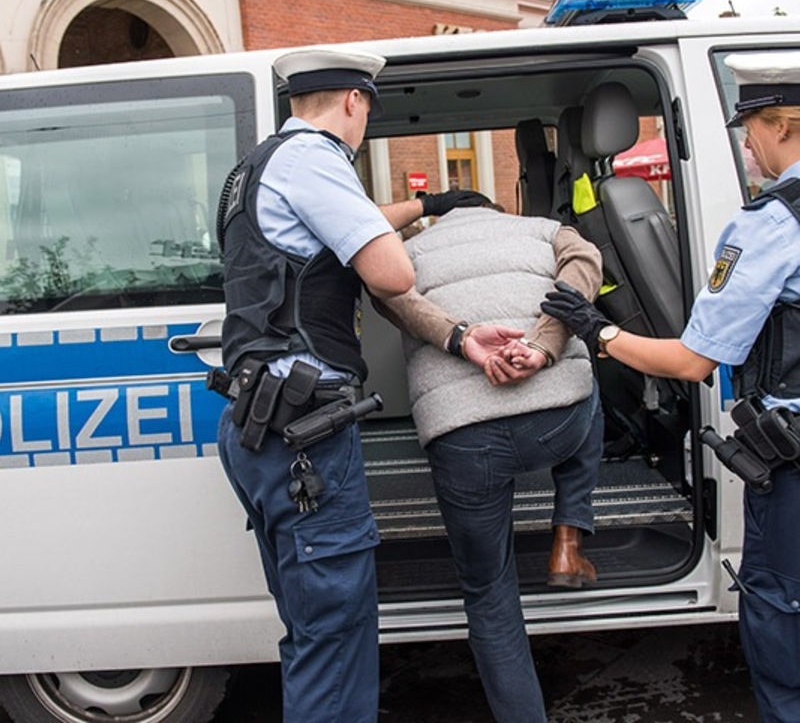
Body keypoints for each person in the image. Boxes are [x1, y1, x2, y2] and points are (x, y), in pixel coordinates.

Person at [525, 52, 800, 723]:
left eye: (750, 129)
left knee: (783, 626)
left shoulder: (772, 225)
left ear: (784, 125)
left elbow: (690, 363)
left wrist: (597, 333)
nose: (745, 144)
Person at [214, 47, 487, 723]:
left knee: (312, 633)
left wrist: (427, 202)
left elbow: (332, 233)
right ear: (354, 102)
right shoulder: (316, 160)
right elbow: (390, 273)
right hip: (302, 432)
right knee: (335, 635)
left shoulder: (257, 166)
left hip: (260, 422)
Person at [378, 204, 604, 723]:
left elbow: (392, 296)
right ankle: (569, 538)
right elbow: (585, 264)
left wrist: (458, 336)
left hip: (462, 437)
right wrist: (546, 346)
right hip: (556, 422)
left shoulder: (405, 252)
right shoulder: (543, 230)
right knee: (590, 387)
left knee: (489, 593)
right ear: (502, 213)